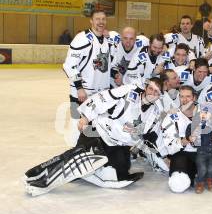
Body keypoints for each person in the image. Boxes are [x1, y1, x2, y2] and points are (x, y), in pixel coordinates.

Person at [23, 78, 164, 196]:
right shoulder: (128, 92)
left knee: (121, 172)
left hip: (117, 145)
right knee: (83, 159)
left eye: (156, 91)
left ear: (160, 95)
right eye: (150, 88)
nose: (152, 93)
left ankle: (89, 173)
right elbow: (101, 98)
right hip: (97, 132)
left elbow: (149, 138)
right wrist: (85, 117)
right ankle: (40, 177)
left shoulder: (155, 113)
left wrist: (163, 158)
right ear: (145, 88)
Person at [62, 10, 111, 145]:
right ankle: (72, 154)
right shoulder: (82, 38)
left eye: (103, 19)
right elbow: (68, 66)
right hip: (81, 93)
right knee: (76, 125)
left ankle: (89, 153)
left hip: (98, 94)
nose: (101, 22)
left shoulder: (106, 40)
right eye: (97, 19)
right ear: (91, 21)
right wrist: (79, 88)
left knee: (93, 127)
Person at [187, 102, 212, 193]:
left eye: (207, 113)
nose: (204, 115)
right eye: (202, 112)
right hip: (201, 151)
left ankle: (210, 180)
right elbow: (189, 131)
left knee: (211, 168)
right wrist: (190, 137)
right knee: (202, 168)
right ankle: (200, 182)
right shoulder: (196, 125)